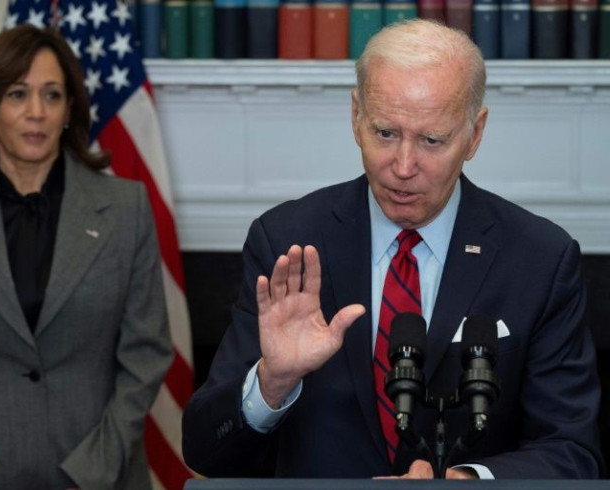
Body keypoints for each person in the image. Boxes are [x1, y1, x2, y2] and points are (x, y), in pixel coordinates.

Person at [182, 19, 603, 480]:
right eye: (385, 133)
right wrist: (272, 382)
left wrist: (464, 482)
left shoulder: (539, 260)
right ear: (356, 117)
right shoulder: (288, 242)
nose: (403, 167)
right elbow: (205, 453)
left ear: (475, 134)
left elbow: (572, 452)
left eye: (431, 140)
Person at [0, 24, 173, 490]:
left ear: (69, 110)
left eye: (52, 95)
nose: (36, 112)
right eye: (17, 94)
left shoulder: (127, 210)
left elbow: (147, 356)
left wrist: (92, 473)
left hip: (99, 473)